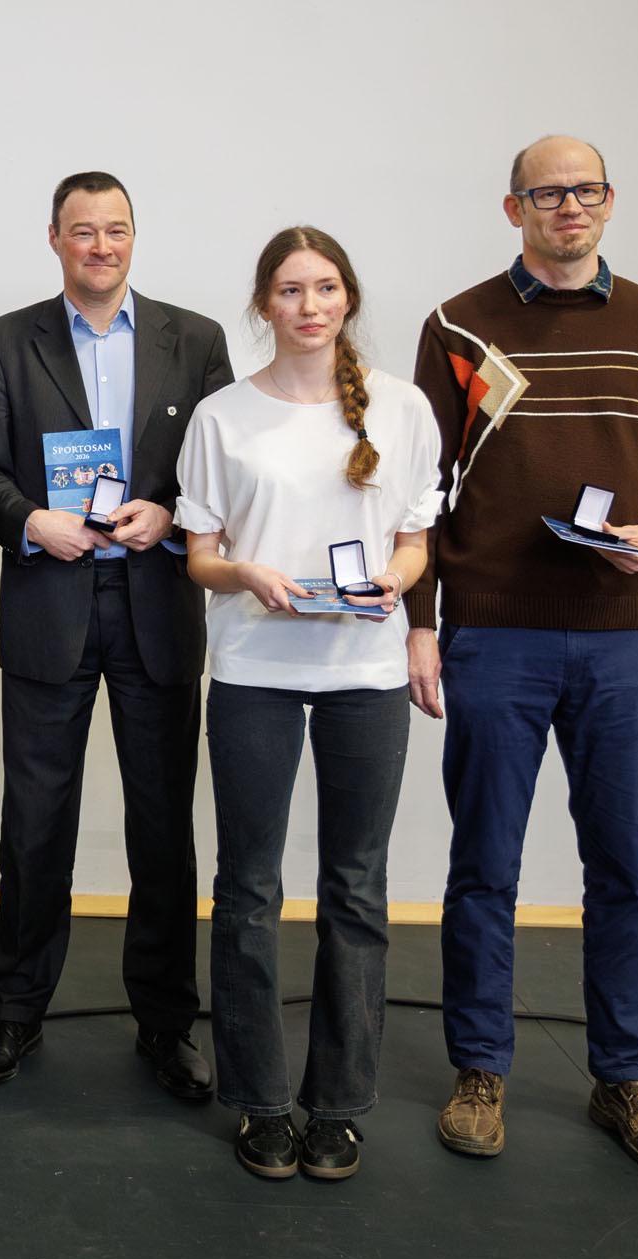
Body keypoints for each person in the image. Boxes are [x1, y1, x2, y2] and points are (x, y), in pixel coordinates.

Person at [409, 135, 638, 1176]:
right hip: (493, 632)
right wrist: (421, 620)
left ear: (608, 201)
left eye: (584, 190)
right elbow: (420, 490)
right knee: (483, 865)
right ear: (514, 209)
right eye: (546, 193)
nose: (567, 206)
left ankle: (625, 1077)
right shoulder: (458, 326)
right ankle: (478, 1070)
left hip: (618, 635)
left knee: (622, 868)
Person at [176, 227, 442, 1180]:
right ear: (264, 306)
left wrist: (393, 582)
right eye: (290, 290)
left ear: (348, 298)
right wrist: (247, 572)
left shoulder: (403, 408)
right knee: (248, 889)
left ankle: (338, 1103)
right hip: (254, 668)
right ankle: (259, 1099)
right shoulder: (221, 417)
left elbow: (416, 540)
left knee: (355, 888)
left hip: (365, 675)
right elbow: (200, 556)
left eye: (326, 287)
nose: (310, 305)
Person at [0, 171, 231, 1090]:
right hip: (52, 599)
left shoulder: (196, 340)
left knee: (162, 826)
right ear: (55, 239)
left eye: (116, 229)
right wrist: (33, 520)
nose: (101, 246)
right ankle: (14, 1011)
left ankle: (166, 1022)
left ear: (133, 237)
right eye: (83, 230)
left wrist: (172, 513)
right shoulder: (5, 341)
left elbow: (221, 472)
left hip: (156, 602)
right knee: (34, 822)